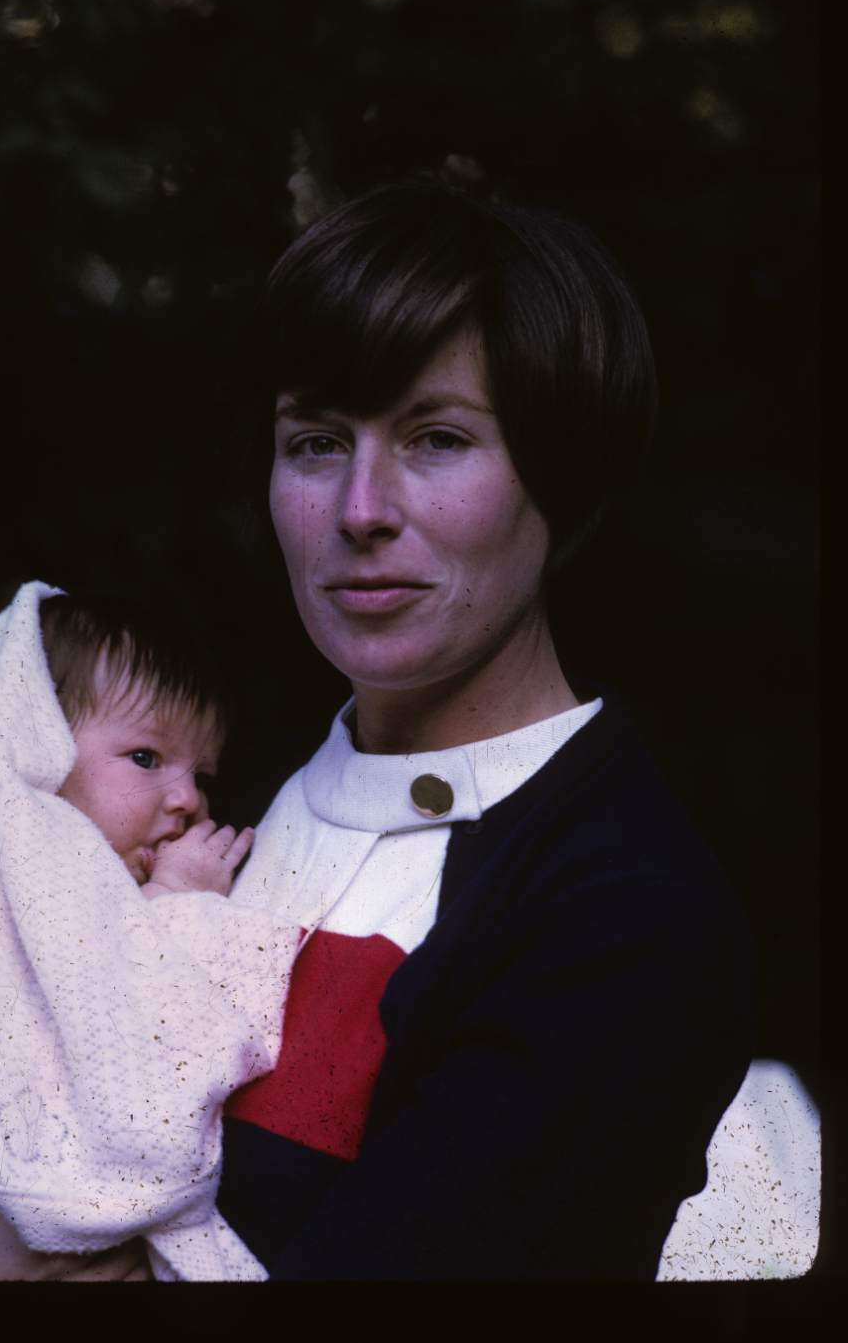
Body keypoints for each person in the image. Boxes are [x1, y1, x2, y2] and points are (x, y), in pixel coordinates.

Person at [213, 179, 755, 1279]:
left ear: (563, 474)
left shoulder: (629, 919)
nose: (361, 508)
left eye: (437, 437)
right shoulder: (205, 796)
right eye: (315, 442)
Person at [0, 584, 302, 1281]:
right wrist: (178, 908)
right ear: (32, 750)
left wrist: (168, 905)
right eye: (147, 758)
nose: (190, 799)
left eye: (202, 774)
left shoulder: (111, 899)